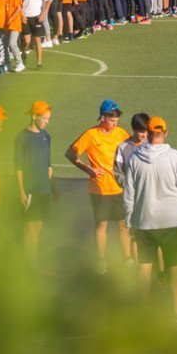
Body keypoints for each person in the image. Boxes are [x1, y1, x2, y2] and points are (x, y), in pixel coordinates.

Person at [121, 115, 177, 322]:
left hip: (144, 221)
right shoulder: (175, 157)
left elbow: (129, 194)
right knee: (174, 267)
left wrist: (128, 221)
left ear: (147, 132)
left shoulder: (135, 158)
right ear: (165, 132)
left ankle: (143, 311)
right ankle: (176, 312)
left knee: (144, 266)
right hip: (172, 221)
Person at [66, 100, 129, 272]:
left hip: (120, 187)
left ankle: (128, 259)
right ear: (102, 118)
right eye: (112, 119)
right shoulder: (91, 135)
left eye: (117, 119)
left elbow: (132, 150)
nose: (115, 122)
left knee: (123, 225)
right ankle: (102, 260)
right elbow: (70, 153)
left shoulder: (121, 133)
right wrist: (88, 169)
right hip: (100, 188)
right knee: (102, 226)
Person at [16, 101, 55, 262]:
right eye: (45, 118)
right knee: (29, 228)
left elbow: (48, 164)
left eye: (48, 118)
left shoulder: (46, 136)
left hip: (44, 190)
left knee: (38, 227)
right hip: (30, 189)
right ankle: (29, 263)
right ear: (34, 116)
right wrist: (21, 191)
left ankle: (33, 261)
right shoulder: (23, 137)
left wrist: (51, 182)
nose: (47, 122)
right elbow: (18, 166)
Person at [19, 0, 51, 69]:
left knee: (37, 40)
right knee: (27, 41)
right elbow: (18, 4)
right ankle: (23, 53)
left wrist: (43, 14)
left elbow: (48, 1)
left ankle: (39, 62)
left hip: (37, 17)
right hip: (25, 18)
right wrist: (22, 15)